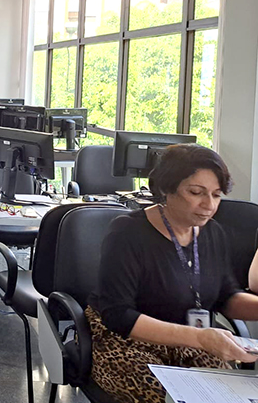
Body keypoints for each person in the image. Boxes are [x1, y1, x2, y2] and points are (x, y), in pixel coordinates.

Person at [88, 144, 258, 403]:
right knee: (165, 397)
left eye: (216, 194)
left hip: (192, 337)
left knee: (226, 396)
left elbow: (225, 296)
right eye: (196, 192)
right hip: (126, 340)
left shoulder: (213, 233)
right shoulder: (127, 233)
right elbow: (119, 316)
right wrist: (200, 337)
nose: (209, 205)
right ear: (167, 189)